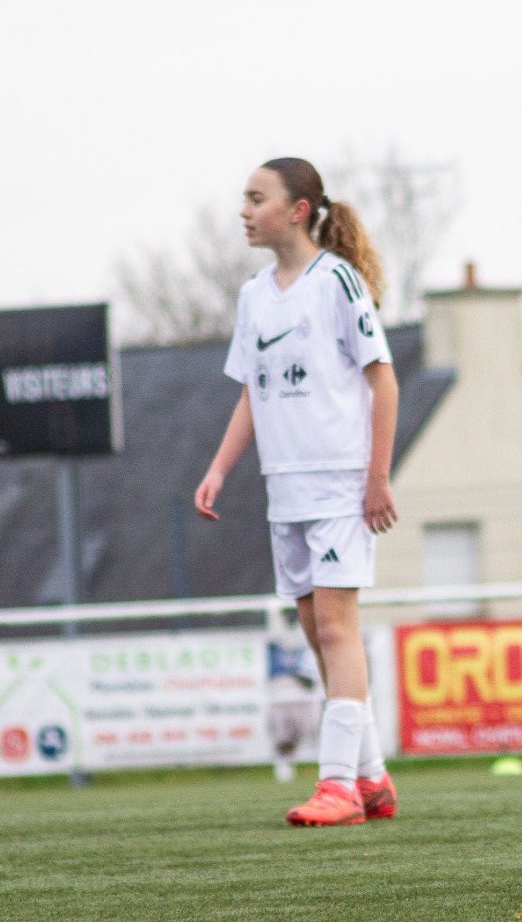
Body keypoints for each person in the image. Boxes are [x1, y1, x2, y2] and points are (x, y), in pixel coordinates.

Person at [195, 157, 400, 827]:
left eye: (257, 198)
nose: (245, 211)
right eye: (244, 199)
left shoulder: (336, 281)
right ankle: (371, 778)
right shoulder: (255, 294)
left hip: (340, 485)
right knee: (318, 635)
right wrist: (220, 468)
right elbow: (253, 392)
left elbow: (383, 380)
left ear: (298, 210)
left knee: (338, 629)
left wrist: (376, 478)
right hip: (285, 491)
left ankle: (336, 784)